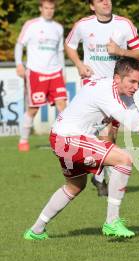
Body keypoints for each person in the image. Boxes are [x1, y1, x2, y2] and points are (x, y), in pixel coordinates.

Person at [24, 57, 139, 240]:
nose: (136, 87)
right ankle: (112, 222)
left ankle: (36, 230)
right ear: (118, 78)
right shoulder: (108, 94)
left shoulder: (124, 95)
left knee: (75, 186)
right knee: (124, 159)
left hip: (62, 137)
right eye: (132, 81)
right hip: (68, 138)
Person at [65, 0, 139, 195]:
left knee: (111, 136)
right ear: (92, 6)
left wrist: (120, 51)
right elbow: (69, 45)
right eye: (100, 0)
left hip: (116, 88)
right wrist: (78, 64)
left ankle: (98, 177)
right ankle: (102, 181)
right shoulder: (83, 25)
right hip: (92, 88)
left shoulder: (124, 24)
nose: (105, 2)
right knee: (102, 134)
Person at [15, 0, 67, 152]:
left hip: (55, 72)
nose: (49, 11)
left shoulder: (58, 28)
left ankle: (63, 139)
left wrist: (63, 72)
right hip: (36, 72)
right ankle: (23, 140)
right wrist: (19, 64)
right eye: (46, 8)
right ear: (40, 8)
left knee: (62, 105)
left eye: (52, 8)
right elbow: (19, 44)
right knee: (33, 109)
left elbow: (60, 52)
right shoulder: (31, 25)